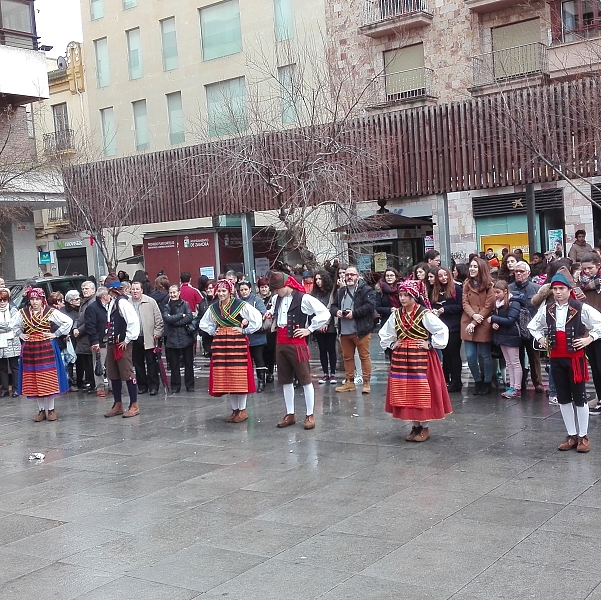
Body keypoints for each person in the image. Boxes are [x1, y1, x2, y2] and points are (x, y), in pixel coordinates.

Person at [528, 273, 601, 453]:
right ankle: (572, 435)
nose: (558, 292)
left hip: (575, 359)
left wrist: (589, 338)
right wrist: (540, 339)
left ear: (569, 290)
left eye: (562, 289)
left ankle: (583, 436)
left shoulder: (581, 308)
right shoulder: (548, 308)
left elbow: (599, 323)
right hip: (556, 358)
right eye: (555, 289)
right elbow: (532, 326)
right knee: (563, 398)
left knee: (579, 397)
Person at [379, 280, 452, 442]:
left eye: (407, 296)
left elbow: (442, 329)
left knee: (421, 390)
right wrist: (392, 344)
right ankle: (415, 426)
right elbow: (385, 332)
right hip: (402, 359)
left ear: (414, 297)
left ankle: (424, 427)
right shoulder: (397, 314)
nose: (403, 299)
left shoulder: (424, 314)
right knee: (406, 391)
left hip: (421, 357)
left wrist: (431, 344)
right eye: (401, 295)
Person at [267, 271, 330, 429]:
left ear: (286, 285)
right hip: (280, 341)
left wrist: (309, 329)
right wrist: (269, 315)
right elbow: (275, 314)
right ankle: (290, 414)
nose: (275, 291)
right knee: (285, 380)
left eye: (277, 288)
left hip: (297, 342)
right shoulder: (276, 298)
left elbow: (324, 313)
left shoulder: (304, 298)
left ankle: (310, 414)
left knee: (305, 378)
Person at [198, 279, 262, 422]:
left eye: (223, 291)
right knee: (227, 376)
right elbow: (203, 323)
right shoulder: (214, 307)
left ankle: (243, 409)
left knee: (238, 374)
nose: (221, 294)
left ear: (230, 292)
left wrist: (244, 329)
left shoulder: (240, 305)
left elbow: (257, 319)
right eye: (219, 291)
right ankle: (234, 410)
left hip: (237, 342)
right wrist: (214, 331)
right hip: (222, 343)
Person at [11, 288, 72, 421]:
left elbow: (68, 321)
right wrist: (20, 334)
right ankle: (40, 411)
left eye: (37, 299)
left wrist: (56, 334)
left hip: (46, 347)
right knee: (34, 378)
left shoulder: (50, 311)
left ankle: (51, 410)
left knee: (48, 377)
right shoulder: (23, 313)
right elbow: (12, 325)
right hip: (30, 349)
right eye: (32, 299)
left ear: (42, 299)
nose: (34, 302)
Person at [331, 265, 377, 394]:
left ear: (358, 276)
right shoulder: (341, 291)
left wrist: (354, 313)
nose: (349, 277)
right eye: (347, 274)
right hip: (344, 330)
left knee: (364, 356)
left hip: (360, 331)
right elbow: (333, 306)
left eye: (352, 274)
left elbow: (370, 306)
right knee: (347, 358)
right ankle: (349, 382)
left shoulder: (366, 290)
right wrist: (337, 312)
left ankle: (366, 383)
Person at [102, 281, 141, 418]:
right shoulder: (112, 303)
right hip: (113, 343)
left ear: (112, 290)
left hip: (122, 344)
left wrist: (128, 339)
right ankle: (118, 404)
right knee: (113, 373)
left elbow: (134, 321)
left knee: (127, 373)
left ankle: (134, 405)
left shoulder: (122, 302)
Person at [461, 257, 495, 395]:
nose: (472, 269)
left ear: (481, 268)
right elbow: (465, 303)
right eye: (471, 266)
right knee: (470, 355)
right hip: (468, 320)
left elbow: (489, 305)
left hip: (483, 322)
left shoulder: (490, 284)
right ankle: (477, 381)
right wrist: (473, 316)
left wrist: (475, 321)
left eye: (475, 266)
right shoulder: (466, 283)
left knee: (485, 355)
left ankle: (487, 382)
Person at [509, 261, 543, 393]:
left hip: (531, 328)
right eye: (516, 271)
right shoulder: (510, 288)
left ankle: (538, 383)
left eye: (521, 271)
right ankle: (520, 383)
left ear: (528, 273)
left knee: (534, 357)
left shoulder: (536, 288)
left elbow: (541, 309)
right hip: (514, 328)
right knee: (517, 358)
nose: (518, 274)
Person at [574, 252, 601, 415]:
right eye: (584, 269)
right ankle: (600, 398)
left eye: (590, 268)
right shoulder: (579, 283)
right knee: (595, 367)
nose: (587, 272)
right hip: (588, 329)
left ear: (598, 266)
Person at [429, 267, 463, 393]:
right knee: (446, 355)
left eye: (445, 275)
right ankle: (447, 380)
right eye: (440, 276)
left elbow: (460, 306)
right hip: (440, 326)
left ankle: (456, 382)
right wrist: (434, 310)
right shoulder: (434, 290)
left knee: (454, 355)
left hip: (454, 326)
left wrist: (446, 309)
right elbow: (431, 304)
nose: (443, 278)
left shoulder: (456, 288)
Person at [489, 280, 525, 398]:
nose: (496, 295)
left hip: (512, 335)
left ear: (505, 291)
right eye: (494, 292)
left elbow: (511, 320)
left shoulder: (513, 302)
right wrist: (494, 323)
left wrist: (494, 319)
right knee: (509, 362)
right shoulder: (498, 303)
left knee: (514, 362)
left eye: (498, 292)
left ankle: (517, 388)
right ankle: (512, 386)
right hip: (503, 335)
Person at [130, 281, 164, 396]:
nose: (135, 291)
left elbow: (158, 318)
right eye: (133, 289)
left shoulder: (150, 301)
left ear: (142, 290)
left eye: (137, 289)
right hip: (134, 338)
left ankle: (153, 386)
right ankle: (142, 386)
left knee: (151, 363)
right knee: (138, 363)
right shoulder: (127, 303)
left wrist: (157, 332)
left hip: (149, 337)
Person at [163, 285, 196, 393]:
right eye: (171, 292)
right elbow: (167, 319)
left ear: (179, 292)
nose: (172, 295)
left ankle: (190, 385)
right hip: (172, 339)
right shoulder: (167, 306)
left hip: (186, 337)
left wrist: (175, 321)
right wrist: (181, 315)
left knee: (188, 363)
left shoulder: (185, 304)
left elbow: (189, 317)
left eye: (174, 292)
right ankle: (175, 386)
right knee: (174, 364)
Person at [238, 281, 268, 392]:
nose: (244, 292)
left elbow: (262, 314)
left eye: (245, 289)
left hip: (257, 336)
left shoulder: (257, 300)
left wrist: (250, 320)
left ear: (250, 289)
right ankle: (248, 381)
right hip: (244, 335)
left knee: (259, 358)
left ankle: (261, 381)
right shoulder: (238, 302)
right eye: (241, 290)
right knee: (246, 360)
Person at [311, 270, 338, 384]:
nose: (318, 281)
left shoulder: (331, 293)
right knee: (322, 350)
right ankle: (325, 373)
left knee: (331, 349)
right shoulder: (314, 294)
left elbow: (332, 308)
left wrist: (326, 323)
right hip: (318, 325)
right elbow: (312, 310)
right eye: (316, 279)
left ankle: (332, 373)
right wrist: (318, 324)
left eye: (320, 279)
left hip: (330, 325)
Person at [73, 281, 98, 393]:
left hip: (88, 336)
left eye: (87, 288)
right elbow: (78, 318)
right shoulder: (84, 302)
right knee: (85, 362)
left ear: (93, 290)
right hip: (81, 338)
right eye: (83, 289)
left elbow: (90, 321)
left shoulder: (93, 302)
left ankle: (93, 384)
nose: (84, 291)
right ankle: (89, 383)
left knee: (91, 362)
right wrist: (74, 328)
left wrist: (80, 330)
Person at [86, 286, 110, 398]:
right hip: (99, 341)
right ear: (104, 296)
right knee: (99, 365)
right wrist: (94, 341)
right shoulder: (92, 308)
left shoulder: (111, 306)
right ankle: (100, 387)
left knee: (111, 365)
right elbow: (90, 326)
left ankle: (112, 385)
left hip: (110, 340)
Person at [0, 288, 21, 397]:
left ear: (8, 300)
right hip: (1, 343)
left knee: (14, 366)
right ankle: (4, 389)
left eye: (5, 300)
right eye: (0, 300)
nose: (2, 302)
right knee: (2, 367)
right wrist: (7, 326)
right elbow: (8, 326)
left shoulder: (13, 309)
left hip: (13, 341)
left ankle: (16, 388)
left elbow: (13, 324)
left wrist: (5, 326)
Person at [257, 277, 277, 383]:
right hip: (259, 329)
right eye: (261, 287)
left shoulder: (273, 298)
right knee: (261, 352)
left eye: (265, 287)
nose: (264, 289)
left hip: (270, 329)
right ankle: (262, 372)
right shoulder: (257, 299)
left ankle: (270, 372)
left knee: (270, 351)